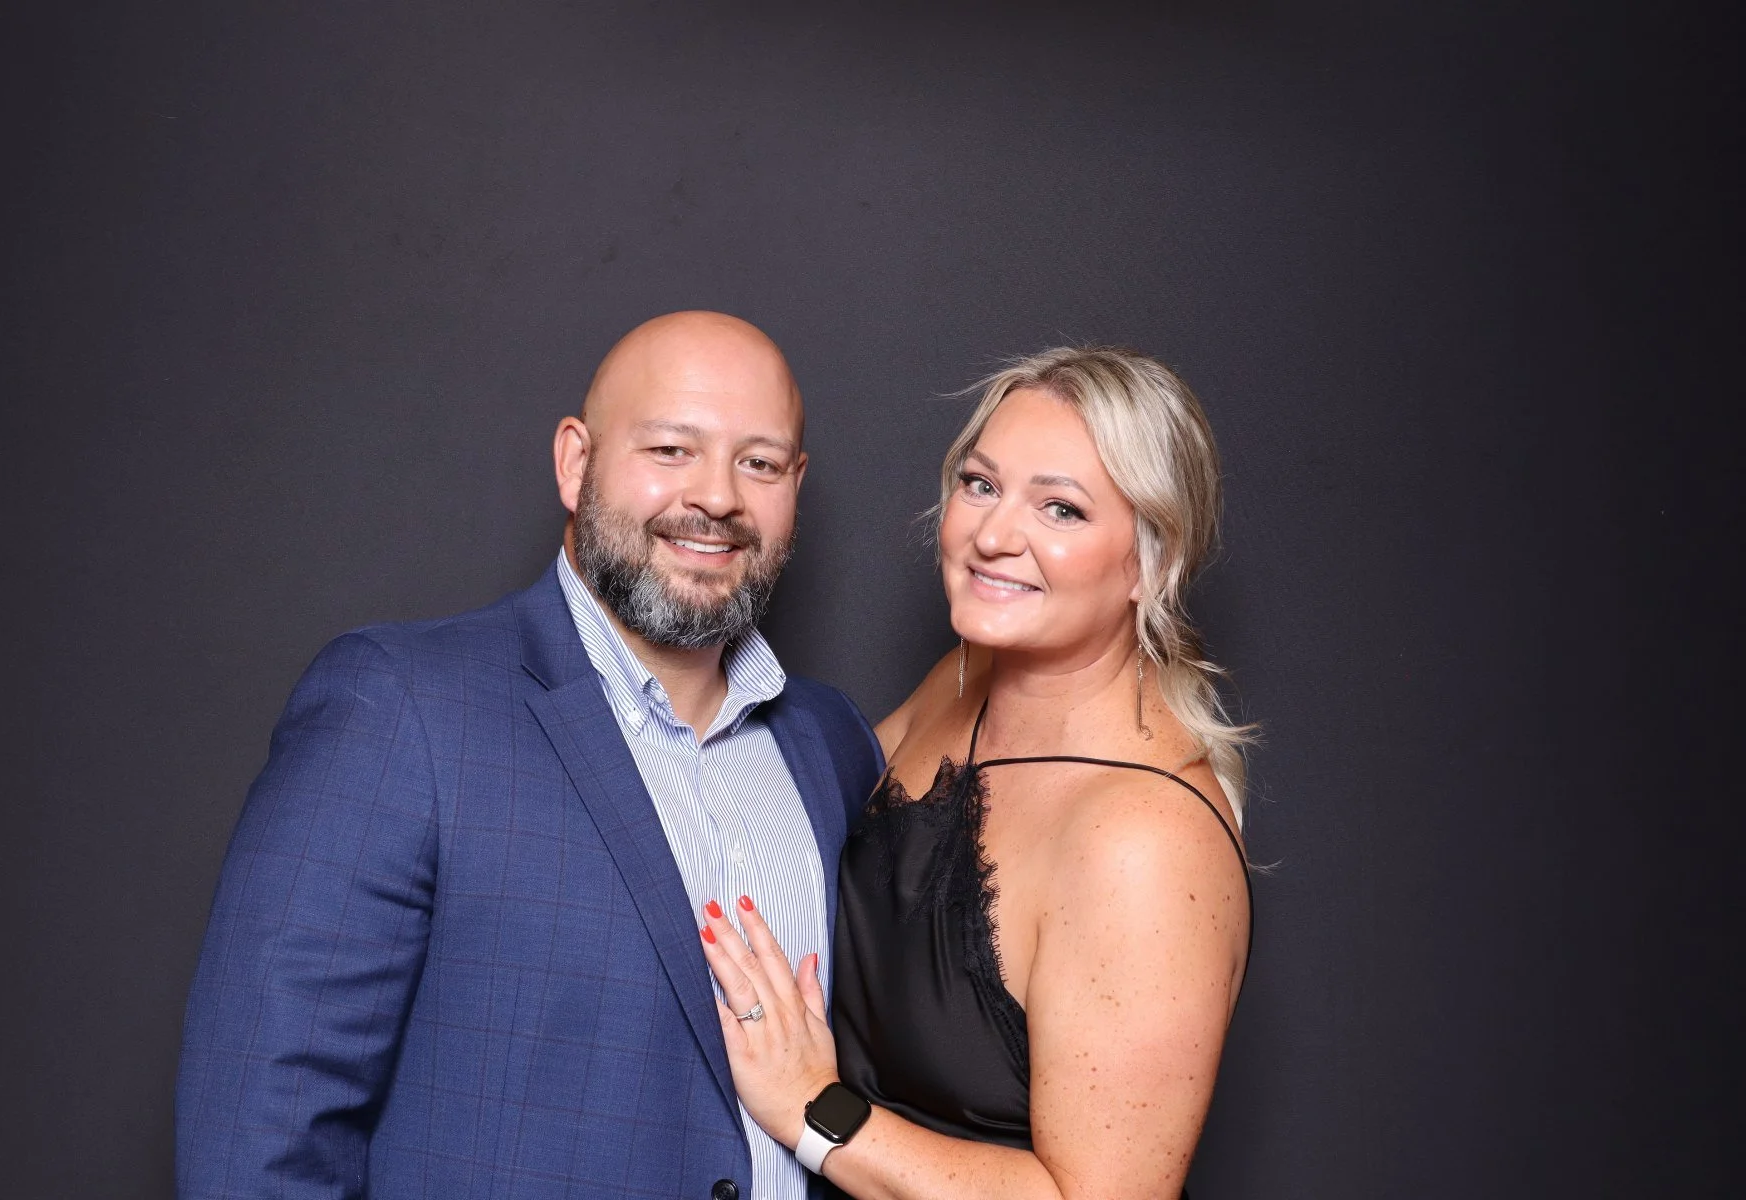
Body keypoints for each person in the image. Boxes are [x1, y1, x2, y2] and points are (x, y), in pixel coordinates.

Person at [175, 311, 884, 1200]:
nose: (717, 497)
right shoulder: (399, 710)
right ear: (576, 462)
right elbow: (262, 1135)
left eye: (761, 464)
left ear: (795, 485)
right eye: (671, 449)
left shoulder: (833, 744)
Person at [696, 347, 1254, 1200]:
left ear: (1150, 562)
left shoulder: (1146, 838)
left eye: (1061, 508)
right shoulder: (968, 678)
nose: (992, 536)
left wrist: (814, 1108)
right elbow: (797, 811)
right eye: (981, 484)